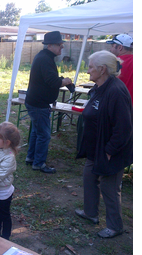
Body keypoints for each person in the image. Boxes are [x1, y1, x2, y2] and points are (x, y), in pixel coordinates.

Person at [75, 50, 132, 238]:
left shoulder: (116, 90)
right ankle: (90, 213)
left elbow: (124, 127)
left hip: (110, 151)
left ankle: (115, 226)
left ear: (102, 69)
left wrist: (110, 150)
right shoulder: (99, 87)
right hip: (96, 148)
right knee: (88, 177)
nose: (88, 70)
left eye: (91, 67)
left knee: (109, 188)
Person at [24, 31, 73, 174]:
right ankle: (38, 163)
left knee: (36, 131)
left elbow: (48, 78)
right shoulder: (45, 58)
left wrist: (62, 79)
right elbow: (52, 81)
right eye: (59, 44)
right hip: (38, 103)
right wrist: (66, 81)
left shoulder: (45, 57)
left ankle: (31, 158)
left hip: (36, 101)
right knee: (44, 134)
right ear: (50, 45)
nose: (62, 47)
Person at [106, 34, 133, 104]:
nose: (110, 49)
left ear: (120, 47)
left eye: (112, 46)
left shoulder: (113, 63)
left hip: (118, 104)